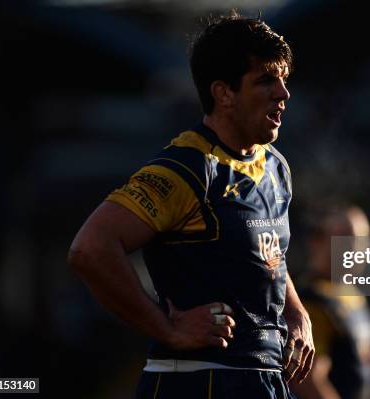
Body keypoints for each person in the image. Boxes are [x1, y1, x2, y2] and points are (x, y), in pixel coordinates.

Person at [67, 11, 313, 399]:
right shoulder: (187, 169)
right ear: (223, 93)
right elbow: (90, 249)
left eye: (283, 79)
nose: (282, 93)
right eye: (265, 80)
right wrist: (168, 329)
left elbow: (270, 259)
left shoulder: (275, 166)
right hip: (200, 378)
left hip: (265, 380)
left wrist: (296, 315)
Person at [291, 204, 370, 399]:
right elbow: (308, 379)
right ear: (317, 241)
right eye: (348, 238)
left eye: (363, 239)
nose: (358, 248)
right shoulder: (311, 301)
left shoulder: (352, 295)